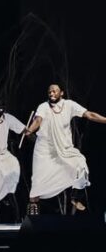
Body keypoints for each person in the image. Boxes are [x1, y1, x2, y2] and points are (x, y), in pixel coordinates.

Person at [23, 83, 106, 215]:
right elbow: (38, 120)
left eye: (54, 91)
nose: (51, 93)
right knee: (37, 184)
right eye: (49, 92)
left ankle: (75, 197)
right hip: (45, 150)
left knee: (80, 165)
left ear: (61, 93)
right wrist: (30, 130)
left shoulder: (69, 105)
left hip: (64, 148)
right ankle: (33, 218)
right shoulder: (43, 106)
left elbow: (89, 115)